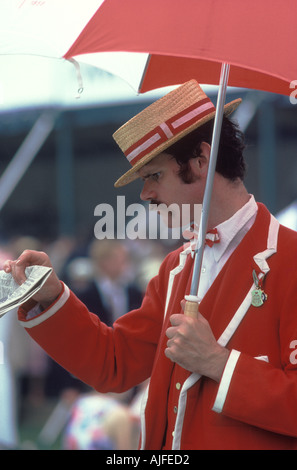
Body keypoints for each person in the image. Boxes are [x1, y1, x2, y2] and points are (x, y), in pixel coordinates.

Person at [4, 80, 297, 450]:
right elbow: (114, 363)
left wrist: (219, 363)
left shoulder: (290, 259)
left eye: (154, 176)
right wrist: (51, 295)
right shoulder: (175, 268)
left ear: (201, 161)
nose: (145, 195)